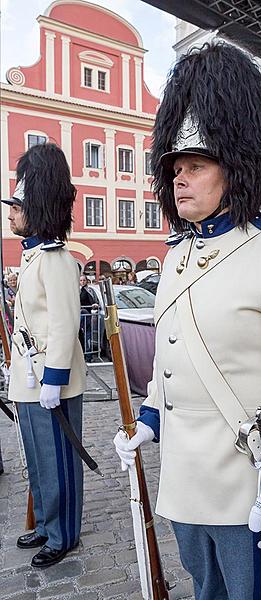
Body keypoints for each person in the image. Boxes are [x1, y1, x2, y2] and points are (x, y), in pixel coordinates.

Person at [113, 43, 261, 600]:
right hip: (184, 477)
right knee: (203, 588)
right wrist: (150, 419)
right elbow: (172, 355)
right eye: (176, 168)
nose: (180, 179)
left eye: (196, 165)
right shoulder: (177, 255)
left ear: (234, 168)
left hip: (244, 485)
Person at [2, 143, 86, 568]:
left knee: (59, 464)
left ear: (36, 209)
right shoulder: (33, 256)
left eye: (17, 206)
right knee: (38, 460)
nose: (11, 213)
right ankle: (47, 522)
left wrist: (54, 378)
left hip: (53, 383)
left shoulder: (55, 260)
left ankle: (63, 532)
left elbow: (64, 326)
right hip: (30, 381)